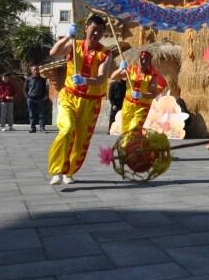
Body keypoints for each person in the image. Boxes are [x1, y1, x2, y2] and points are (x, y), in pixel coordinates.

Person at [46, 15, 113, 185]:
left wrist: (86, 80)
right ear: (86, 28)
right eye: (93, 29)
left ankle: (69, 172)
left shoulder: (105, 53)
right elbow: (53, 53)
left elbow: (101, 78)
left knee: (81, 139)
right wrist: (68, 36)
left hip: (90, 101)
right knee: (67, 128)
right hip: (69, 96)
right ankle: (57, 170)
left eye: (100, 30)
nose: (96, 33)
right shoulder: (74, 45)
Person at [110, 51, 165, 136]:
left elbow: (153, 94)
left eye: (145, 60)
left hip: (141, 107)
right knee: (125, 131)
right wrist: (120, 69)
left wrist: (141, 95)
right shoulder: (131, 70)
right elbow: (113, 77)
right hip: (127, 105)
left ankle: (131, 146)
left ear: (149, 63)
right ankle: (128, 148)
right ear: (138, 59)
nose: (142, 61)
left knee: (133, 131)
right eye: (141, 59)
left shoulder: (152, 76)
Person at [24, 65, 49, 133]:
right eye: (34, 69)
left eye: (37, 69)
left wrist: (43, 97)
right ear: (31, 71)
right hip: (30, 99)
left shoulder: (42, 80)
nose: (36, 71)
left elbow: (45, 89)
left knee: (41, 114)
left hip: (39, 99)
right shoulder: (28, 79)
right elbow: (25, 89)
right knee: (31, 114)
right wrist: (27, 97)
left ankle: (42, 128)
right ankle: (33, 128)